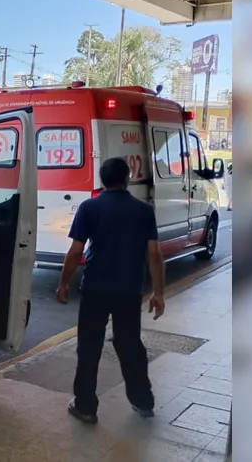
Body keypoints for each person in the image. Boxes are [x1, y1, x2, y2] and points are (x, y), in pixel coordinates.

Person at [56, 157, 166, 424]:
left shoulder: (89, 207)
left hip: (95, 288)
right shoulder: (143, 210)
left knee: (89, 347)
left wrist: (64, 283)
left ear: (102, 179)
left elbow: (75, 251)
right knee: (130, 345)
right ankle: (143, 401)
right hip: (129, 290)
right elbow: (154, 254)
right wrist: (159, 293)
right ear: (127, 178)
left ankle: (85, 407)